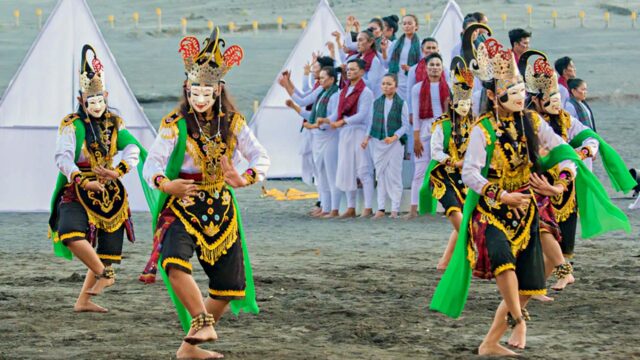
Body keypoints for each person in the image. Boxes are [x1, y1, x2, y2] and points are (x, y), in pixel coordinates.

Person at [438, 32, 575, 356]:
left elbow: (565, 152)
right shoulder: (482, 129)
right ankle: (518, 320)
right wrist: (500, 195)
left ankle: (489, 343)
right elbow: (470, 173)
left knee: (528, 283)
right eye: (511, 90)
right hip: (492, 210)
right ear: (493, 93)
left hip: (527, 209)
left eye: (520, 90)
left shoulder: (532, 121)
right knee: (503, 262)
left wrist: (559, 184)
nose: (518, 95)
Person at [142, 28, 270, 359]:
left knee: (229, 285)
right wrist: (167, 184)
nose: (200, 98)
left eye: (207, 91)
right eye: (195, 91)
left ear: (218, 90)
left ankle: (189, 350)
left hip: (222, 207)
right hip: (183, 203)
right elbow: (151, 164)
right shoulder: (174, 123)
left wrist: (243, 178)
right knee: (173, 263)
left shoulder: (234, 123)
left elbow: (261, 157)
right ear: (187, 88)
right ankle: (201, 321)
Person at [48, 44, 142, 312]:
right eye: (91, 102)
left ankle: (84, 300)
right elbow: (62, 157)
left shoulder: (115, 123)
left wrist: (119, 170)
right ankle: (104, 274)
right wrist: (80, 178)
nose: (98, 106)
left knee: (108, 250)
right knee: (70, 232)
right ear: (81, 101)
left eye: (101, 100)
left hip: (110, 188)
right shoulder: (72, 125)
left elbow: (133, 147)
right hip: (78, 186)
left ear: (106, 96)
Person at [418, 56, 473, 269]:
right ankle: (473, 253)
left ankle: (444, 262)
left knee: (463, 218)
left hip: (466, 177)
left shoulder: (475, 125)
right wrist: (454, 162)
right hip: (443, 176)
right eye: (461, 102)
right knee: (457, 215)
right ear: (451, 102)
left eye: (468, 103)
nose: (465, 107)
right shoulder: (442, 125)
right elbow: (436, 152)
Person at [286, 66, 342, 218]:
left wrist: (317, 124)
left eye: (323, 78)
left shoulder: (336, 94)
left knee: (331, 173)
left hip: (330, 135)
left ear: (332, 79)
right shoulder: (321, 93)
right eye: (320, 78)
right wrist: (295, 108)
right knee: (321, 174)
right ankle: (325, 207)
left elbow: (334, 116)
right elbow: (311, 113)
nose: (320, 80)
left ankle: (334, 209)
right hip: (318, 135)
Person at [330, 59, 375, 218]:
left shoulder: (366, 92)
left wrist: (342, 121)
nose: (349, 72)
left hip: (359, 131)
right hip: (345, 132)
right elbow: (337, 113)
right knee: (346, 168)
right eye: (348, 69)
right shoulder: (344, 91)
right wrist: (325, 121)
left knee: (363, 170)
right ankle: (351, 207)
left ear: (362, 72)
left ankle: (368, 207)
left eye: (353, 69)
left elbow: (363, 114)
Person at [407, 53, 449, 219]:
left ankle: (448, 208)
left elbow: (450, 112)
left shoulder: (449, 87)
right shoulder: (417, 88)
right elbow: (416, 114)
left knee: (445, 171)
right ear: (426, 67)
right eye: (431, 65)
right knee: (420, 171)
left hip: (443, 131)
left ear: (442, 67)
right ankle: (413, 208)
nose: (434, 68)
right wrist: (416, 138)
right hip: (424, 131)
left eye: (438, 65)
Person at [362, 73, 409, 218]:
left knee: (394, 175)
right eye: (383, 84)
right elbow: (371, 122)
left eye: (389, 84)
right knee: (380, 175)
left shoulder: (402, 103)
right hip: (379, 143)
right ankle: (381, 209)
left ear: (395, 86)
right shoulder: (376, 103)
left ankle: (395, 209)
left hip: (395, 144)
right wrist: (366, 138)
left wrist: (394, 137)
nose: (386, 86)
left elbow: (405, 125)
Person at [383, 14, 422, 100]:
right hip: (396, 83)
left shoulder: (420, 44)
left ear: (416, 26)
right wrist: (383, 51)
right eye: (404, 24)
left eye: (409, 23)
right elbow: (386, 64)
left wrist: (411, 69)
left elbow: (423, 66)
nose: (406, 26)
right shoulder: (395, 44)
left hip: (411, 82)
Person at [338, 29, 385, 98]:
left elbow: (371, 85)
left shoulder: (374, 61)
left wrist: (355, 76)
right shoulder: (355, 57)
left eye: (360, 40)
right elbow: (349, 82)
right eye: (357, 40)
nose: (357, 43)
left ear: (370, 42)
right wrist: (344, 74)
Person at [406, 37, 442, 118]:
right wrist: (411, 112)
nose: (431, 51)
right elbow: (409, 92)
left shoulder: (444, 69)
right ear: (422, 50)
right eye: (428, 48)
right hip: (421, 109)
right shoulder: (414, 70)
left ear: (438, 50)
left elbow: (448, 91)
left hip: (440, 109)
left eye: (434, 48)